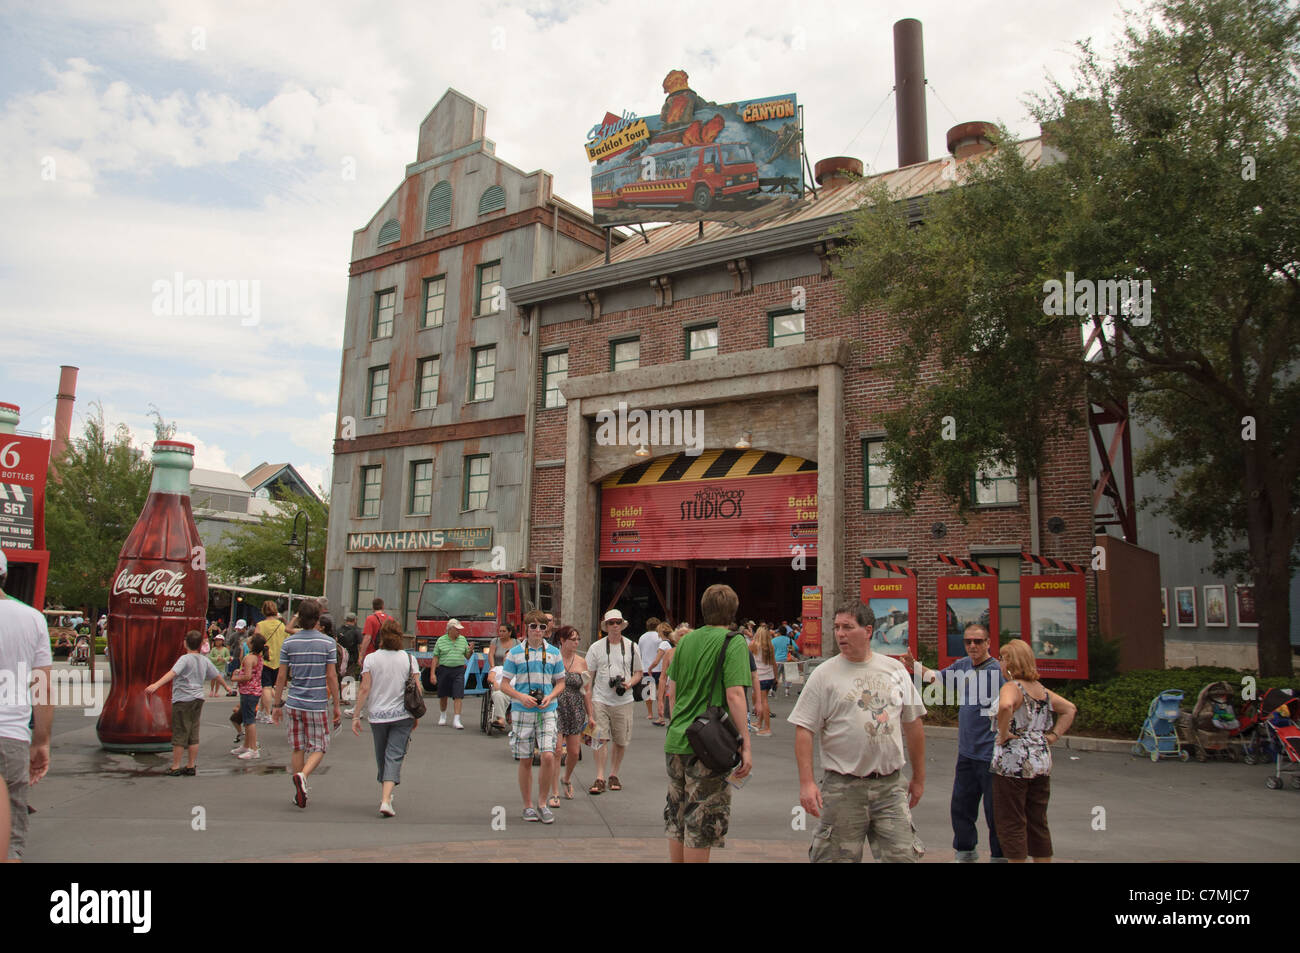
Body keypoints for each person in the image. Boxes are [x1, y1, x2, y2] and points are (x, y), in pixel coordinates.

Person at [789, 602, 926, 863]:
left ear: (868, 631)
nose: (840, 633)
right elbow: (804, 728)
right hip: (843, 787)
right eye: (837, 627)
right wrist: (806, 783)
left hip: (890, 787)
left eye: (848, 627)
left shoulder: (895, 670)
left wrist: (919, 777)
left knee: (903, 857)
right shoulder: (824, 675)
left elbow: (913, 724)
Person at [662, 585, 753, 863]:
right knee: (701, 822)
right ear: (733, 611)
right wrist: (746, 744)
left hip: (677, 738)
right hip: (708, 745)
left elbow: (672, 689)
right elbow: (735, 694)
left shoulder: (685, 641)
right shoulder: (733, 641)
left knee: (678, 816)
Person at [902, 623, 1006, 862]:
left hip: (991, 756)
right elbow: (937, 678)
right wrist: (913, 665)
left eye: (978, 641)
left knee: (995, 812)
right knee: (961, 807)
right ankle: (965, 852)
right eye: (968, 641)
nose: (972, 646)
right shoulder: (962, 666)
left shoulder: (997, 672)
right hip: (967, 754)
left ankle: (1000, 856)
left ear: (988, 643)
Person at [991, 639, 1076, 863]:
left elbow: (1006, 706)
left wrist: (1003, 732)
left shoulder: (1012, 687)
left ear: (1010, 662)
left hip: (1014, 764)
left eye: (1002, 658)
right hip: (1041, 761)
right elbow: (1069, 709)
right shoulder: (1042, 690)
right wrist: (1053, 736)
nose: (999, 662)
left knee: (1012, 821)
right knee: (1037, 820)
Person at [0, 550, 52, 861]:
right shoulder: (32, 619)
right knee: (10, 840)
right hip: (11, 736)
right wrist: (42, 742)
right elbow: (42, 688)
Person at [272, 598, 342, 809]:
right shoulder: (327, 643)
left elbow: (281, 676)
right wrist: (337, 704)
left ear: (300, 619)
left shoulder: (289, 643)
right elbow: (331, 676)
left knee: (297, 747)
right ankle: (303, 776)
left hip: (294, 701)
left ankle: (299, 790)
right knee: (320, 746)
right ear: (318, 619)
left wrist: (276, 705)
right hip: (316, 701)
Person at [500, 610, 566, 824]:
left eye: (542, 627)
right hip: (523, 710)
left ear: (547, 630)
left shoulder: (554, 652)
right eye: (533, 627)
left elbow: (561, 683)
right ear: (526, 629)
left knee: (548, 755)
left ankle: (542, 803)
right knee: (526, 758)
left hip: (547, 709)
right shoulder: (515, 653)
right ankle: (527, 805)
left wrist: (550, 696)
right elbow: (504, 684)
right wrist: (521, 697)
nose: (538, 631)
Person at [351, 618, 420, 817]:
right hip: (403, 714)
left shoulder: (371, 659)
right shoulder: (408, 659)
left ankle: (386, 795)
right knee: (395, 755)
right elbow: (417, 689)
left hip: (377, 714)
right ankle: (386, 798)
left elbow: (365, 688)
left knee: (381, 755)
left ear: (381, 636)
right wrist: (416, 715)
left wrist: (356, 715)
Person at [145, 630, 233, 776]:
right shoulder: (204, 660)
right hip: (198, 698)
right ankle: (191, 765)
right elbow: (216, 675)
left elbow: (173, 673)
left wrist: (156, 684)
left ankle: (176, 766)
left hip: (182, 699)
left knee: (180, 732)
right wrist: (227, 687)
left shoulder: (184, 659)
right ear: (200, 645)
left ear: (185, 642)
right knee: (193, 732)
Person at [585, 609, 643, 794]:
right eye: (611, 623)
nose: (615, 626)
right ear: (606, 626)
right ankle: (600, 776)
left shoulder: (632, 646)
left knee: (621, 740)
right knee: (599, 738)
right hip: (600, 698)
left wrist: (628, 684)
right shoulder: (596, 648)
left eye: (618, 622)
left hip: (624, 700)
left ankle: (613, 774)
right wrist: (588, 703)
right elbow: (588, 677)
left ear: (622, 624)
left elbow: (638, 673)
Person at [551, 625, 591, 804]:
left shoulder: (581, 662)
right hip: (555, 707)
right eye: (572, 639)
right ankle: (553, 792)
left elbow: (586, 690)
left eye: (577, 639)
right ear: (562, 641)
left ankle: (566, 778)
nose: (576, 643)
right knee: (557, 750)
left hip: (575, 708)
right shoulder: (553, 658)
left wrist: (591, 715)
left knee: (574, 752)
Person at [231, 633, 267, 758]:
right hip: (254, 691)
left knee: (249, 721)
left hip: (248, 691)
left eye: (250, 639)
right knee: (247, 719)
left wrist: (235, 678)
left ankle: (253, 748)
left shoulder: (249, 658)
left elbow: (247, 676)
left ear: (252, 644)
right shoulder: (258, 657)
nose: (247, 640)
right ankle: (247, 746)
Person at [432, 619, 470, 729]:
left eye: (459, 630)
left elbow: (467, 656)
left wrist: (470, 651)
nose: (459, 632)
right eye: (457, 629)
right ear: (450, 629)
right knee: (443, 694)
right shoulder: (441, 640)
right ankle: (443, 715)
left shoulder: (463, 640)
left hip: (458, 669)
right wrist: (432, 674)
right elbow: (435, 657)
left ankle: (457, 719)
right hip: (444, 669)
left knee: (458, 694)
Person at [255, 601, 287, 723]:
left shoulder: (261, 625)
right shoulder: (281, 626)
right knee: (271, 686)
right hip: (279, 660)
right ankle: (261, 711)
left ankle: (268, 713)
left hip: (264, 659)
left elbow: (255, 641)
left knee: (265, 687)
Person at [647, 622, 676, 725]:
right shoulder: (673, 643)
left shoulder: (663, 644)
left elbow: (657, 660)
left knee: (661, 694)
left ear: (660, 632)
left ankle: (661, 717)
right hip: (673, 672)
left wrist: (650, 668)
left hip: (666, 673)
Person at [751, 626, 776, 736]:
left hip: (759, 677)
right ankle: (759, 723)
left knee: (762, 701)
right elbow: (774, 663)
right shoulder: (770, 647)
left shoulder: (754, 646)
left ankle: (767, 728)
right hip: (769, 676)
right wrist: (775, 677)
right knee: (761, 700)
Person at [638, 617, 662, 721]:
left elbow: (639, 653)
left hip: (646, 668)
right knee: (660, 692)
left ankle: (650, 713)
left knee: (649, 691)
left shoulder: (642, 637)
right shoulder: (659, 637)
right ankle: (661, 713)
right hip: (659, 667)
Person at [358, 597, 393, 666]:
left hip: (372, 654)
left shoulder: (370, 619)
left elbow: (367, 637)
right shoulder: (390, 619)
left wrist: (361, 655)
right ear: (383, 607)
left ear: (373, 607)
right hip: (387, 654)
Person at [337, 611, 362, 678]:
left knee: (340, 675)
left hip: (340, 657)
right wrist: (360, 657)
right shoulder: (357, 630)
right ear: (355, 620)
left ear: (346, 620)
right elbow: (360, 645)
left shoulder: (339, 630)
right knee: (349, 677)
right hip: (352, 657)